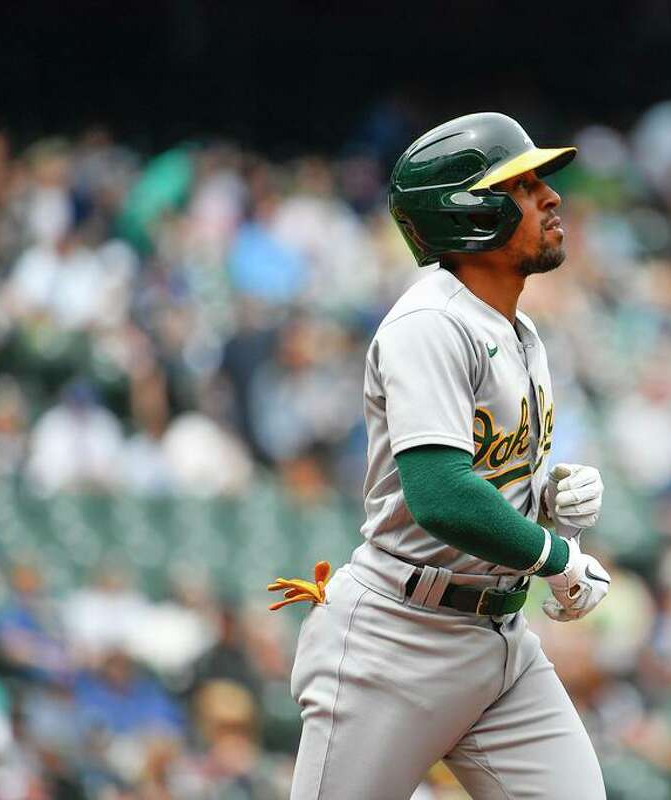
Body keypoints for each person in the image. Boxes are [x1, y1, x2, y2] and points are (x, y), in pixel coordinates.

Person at [269, 112, 611, 798]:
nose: (551, 197)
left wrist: (546, 501)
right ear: (469, 212)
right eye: (522, 185)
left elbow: (482, 475)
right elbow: (441, 495)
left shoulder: (518, 331)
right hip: (397, 640)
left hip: (499, 640)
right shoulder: (429, 324)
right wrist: (557, 557)